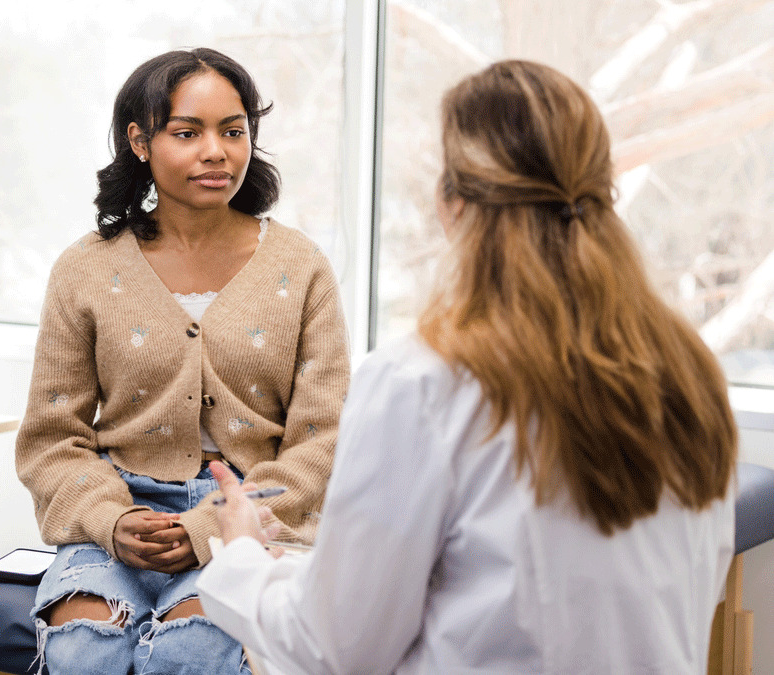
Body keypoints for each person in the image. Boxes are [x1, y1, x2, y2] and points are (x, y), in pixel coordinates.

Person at [196, 59, 738, 674]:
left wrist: (238, 556)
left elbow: (336, 649)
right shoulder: (691, 374)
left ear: (452, 203)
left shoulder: (423, 382)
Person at [14, 47, 350, 675]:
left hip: (246, 514)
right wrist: (111, 520)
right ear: (140, 141)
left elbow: (322, 444)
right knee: (85, 654)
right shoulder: (86, 267)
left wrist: (212, 523)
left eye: (234, 131)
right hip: (114, 512)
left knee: (191, 655)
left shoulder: (300, 267)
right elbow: (52, 438)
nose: (217, 152)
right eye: (188, 133)